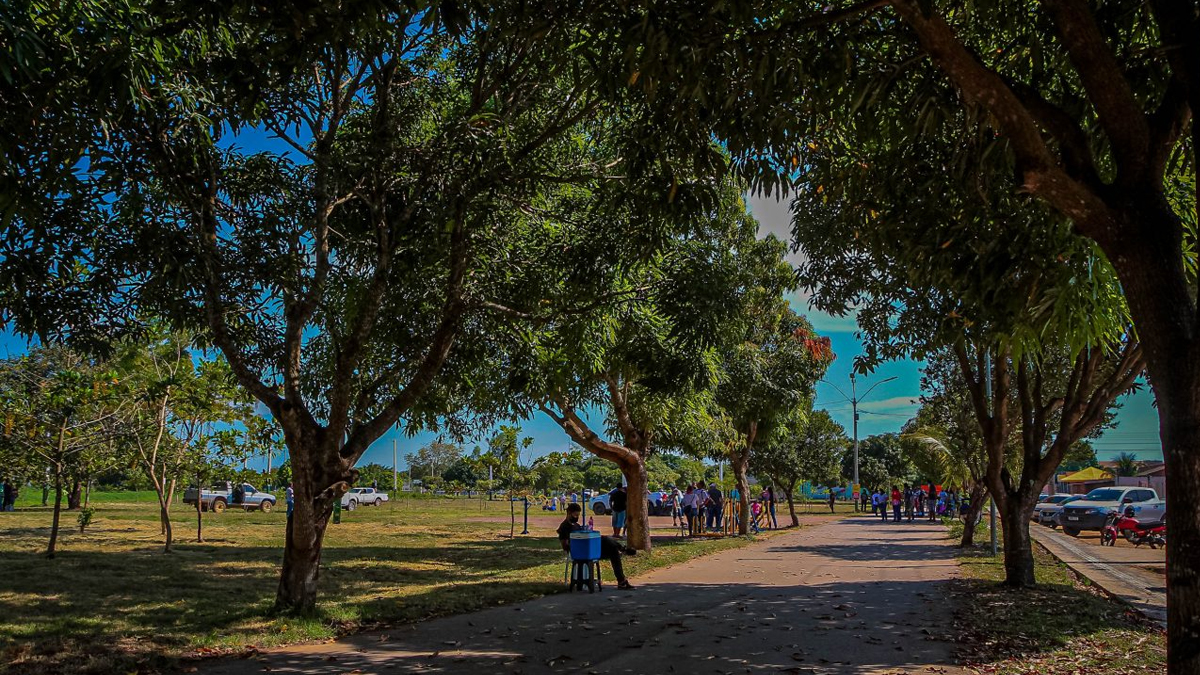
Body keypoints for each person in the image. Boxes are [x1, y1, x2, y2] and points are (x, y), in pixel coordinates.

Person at [558, 503, 636, 590]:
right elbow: (565, 546)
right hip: (578, 552)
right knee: (604, 538)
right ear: (569, 513)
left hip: (588, 550)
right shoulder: (564, 527)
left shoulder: (576, 526)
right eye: (575, 515)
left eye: (578, 515)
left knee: (612, 550)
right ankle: (622, 549)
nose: (577, 517)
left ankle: (621, 581)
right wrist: (575, 542)